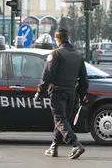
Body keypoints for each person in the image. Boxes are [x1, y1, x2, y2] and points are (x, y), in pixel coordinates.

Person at [34, 28, 89, 159]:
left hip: (58, 92)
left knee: (60, 120)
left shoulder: (56, 54)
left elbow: (47, 74)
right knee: (63, 120)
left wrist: (40, 92)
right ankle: (53, 147)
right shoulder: (78, 55)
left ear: (57, 39)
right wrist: (82, 94)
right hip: (72, 92)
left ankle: (75, 144)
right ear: (67, 37)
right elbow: (84, 78)